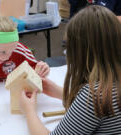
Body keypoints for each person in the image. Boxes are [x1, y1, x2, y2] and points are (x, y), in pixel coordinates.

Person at [20, 5, 121, 135]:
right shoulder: (106, 90)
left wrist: (29, 110)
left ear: (80, 52)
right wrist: (59, 92)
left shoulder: (95, 97)